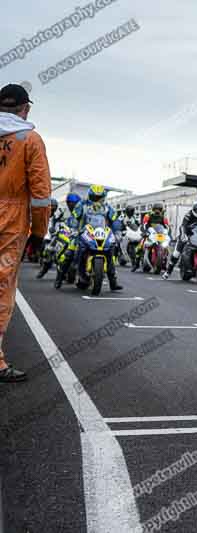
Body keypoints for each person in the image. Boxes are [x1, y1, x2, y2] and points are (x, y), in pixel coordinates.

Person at [0, 83, 51, 382]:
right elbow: (41, 195)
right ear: (25, 108)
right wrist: (39, 233)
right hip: (10, 222)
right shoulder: (30, 140)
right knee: (3, 288)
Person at [74, 184, 123, 291]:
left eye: (99, 197)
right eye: (94, 197)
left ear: (103, 197)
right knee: (73, 251)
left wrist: (118, 231)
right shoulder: (82, 205)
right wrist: (73, 228)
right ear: (89, 196)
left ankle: (113, 281)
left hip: (102, 232)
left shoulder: (107, 207)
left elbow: (115, 220)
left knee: (111, 251)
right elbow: (74, 217)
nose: (97, 200)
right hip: (84, 232)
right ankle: (69, 274)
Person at [163, 199, 197, 279]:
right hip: (186, 235)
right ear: (193, 208)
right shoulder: (188, 215)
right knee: (176, 253)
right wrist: (183, 235)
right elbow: (182, 226)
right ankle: (168, 272)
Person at [53, 193, 82, 288]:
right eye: (69, 203)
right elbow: (65, 223)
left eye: (73, 203)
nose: (71, 205)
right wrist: (63, 228)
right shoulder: (66, 213)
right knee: (68, 254)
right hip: (73, 237)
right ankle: (59, 278)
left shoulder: (84, 211)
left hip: (86, 237)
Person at [133, 202, 169, 272]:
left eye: (159, 209)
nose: (157, 211)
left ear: (161, 210)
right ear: (153, 209)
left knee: (166, 247)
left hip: (159, 235)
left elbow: (167, 227)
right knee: (140, 245)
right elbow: (144, 224)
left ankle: (164, 264)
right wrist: (145, 231)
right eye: (156, 209)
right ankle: (136, 264)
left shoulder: (163, 217)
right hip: (150, 233)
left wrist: (166, 233)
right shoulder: (148, 216)